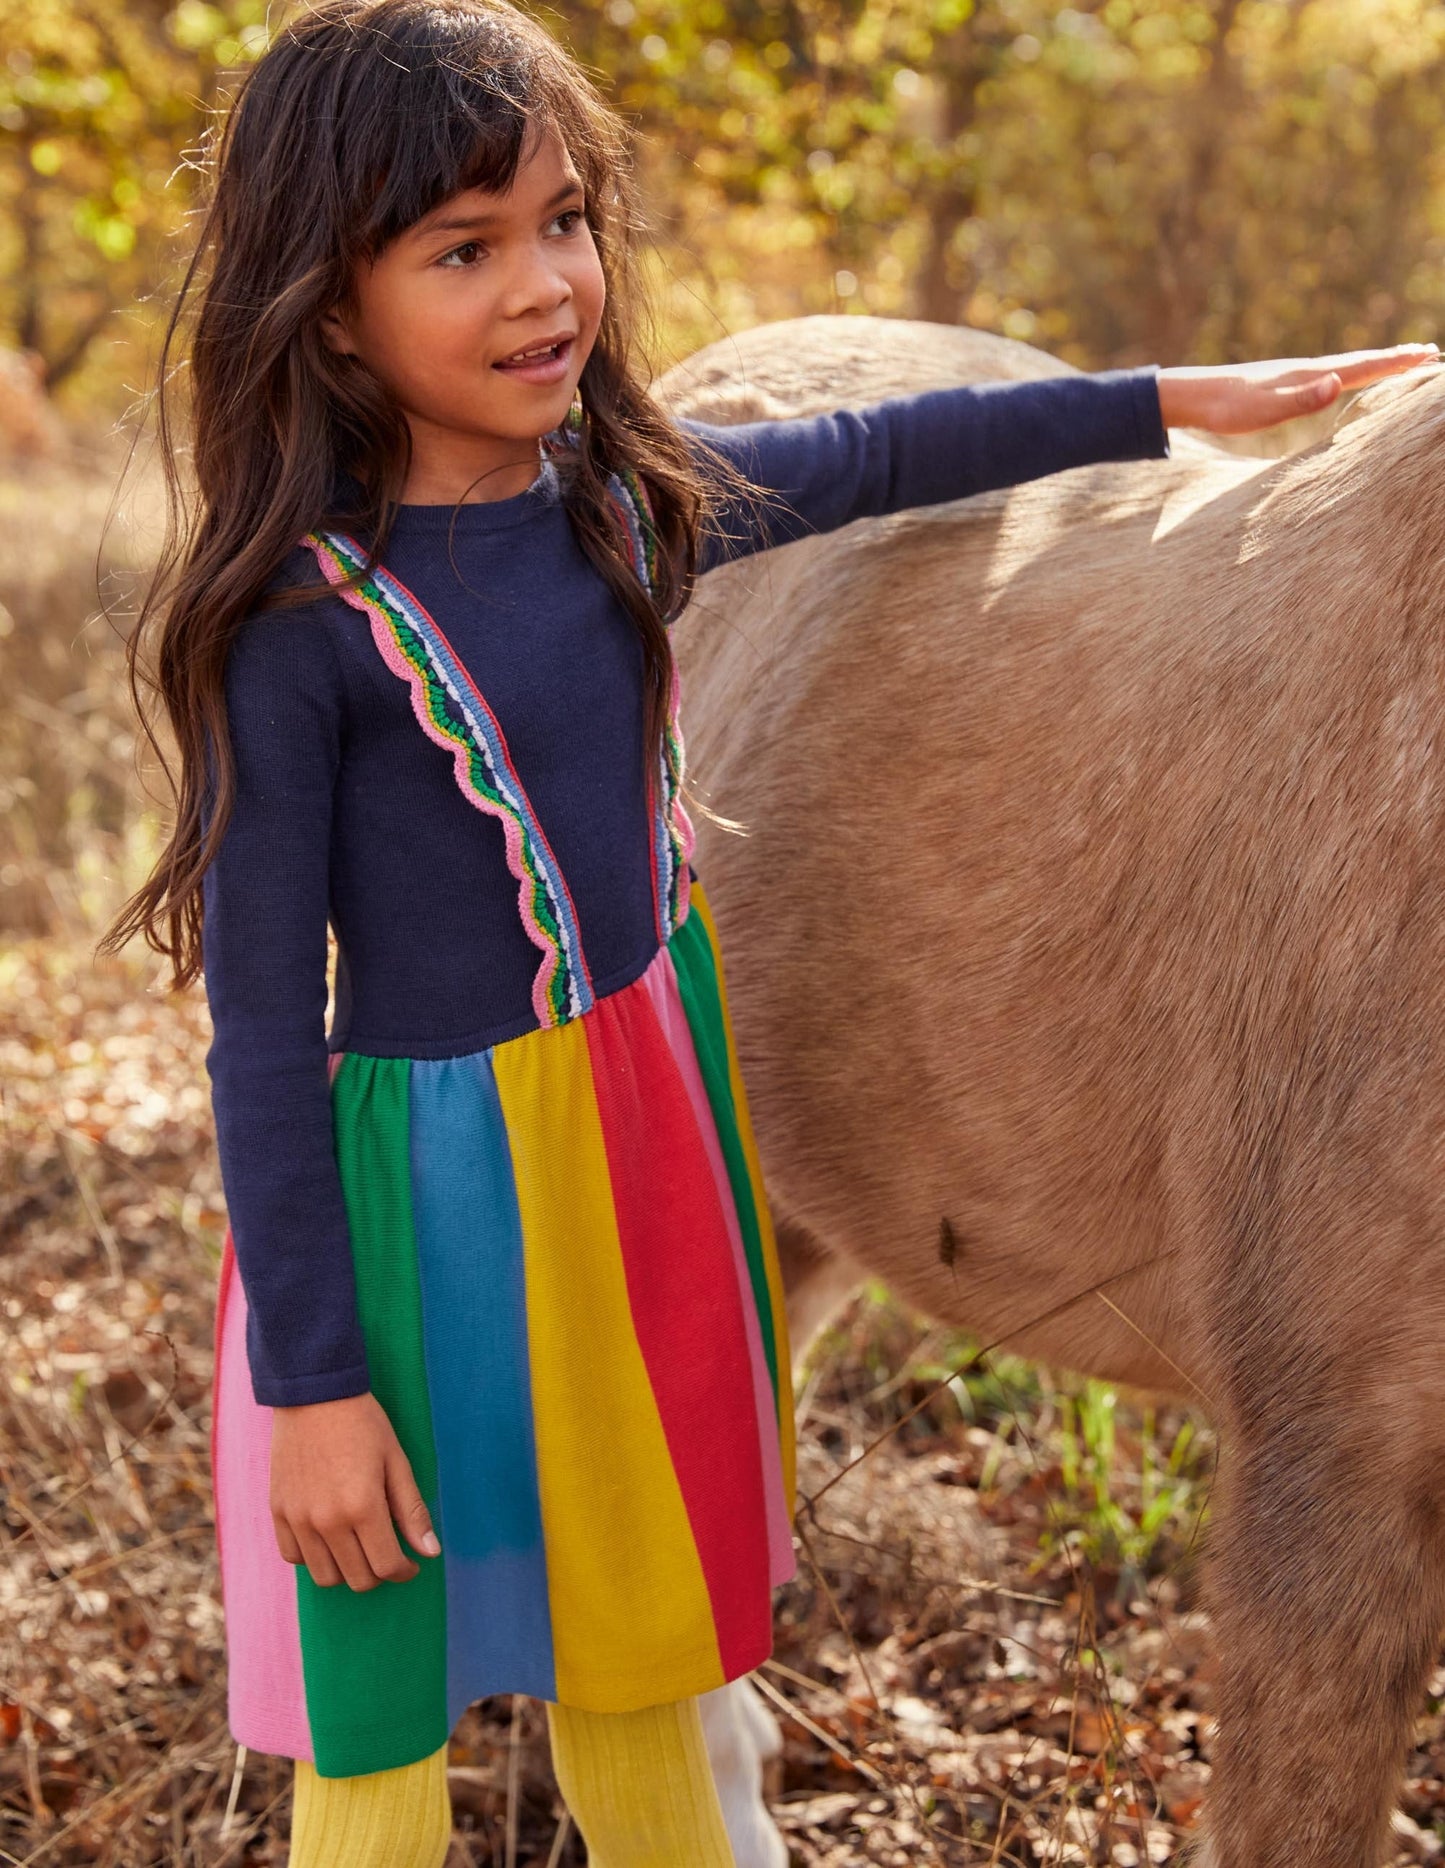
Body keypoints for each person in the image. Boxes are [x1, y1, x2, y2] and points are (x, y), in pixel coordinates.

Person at [98, 0, 1438, 1860]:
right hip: (426, 1191)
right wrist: (311, 1382)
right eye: (463, 251)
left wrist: (1162, 402)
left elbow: (887, 454)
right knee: (380, 1727)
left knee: (655, 1665)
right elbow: (258, 1032)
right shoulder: (299, 635)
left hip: (636, 1146)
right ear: (329, 311)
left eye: (564, 224)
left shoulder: (624, 517)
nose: (544, 287)